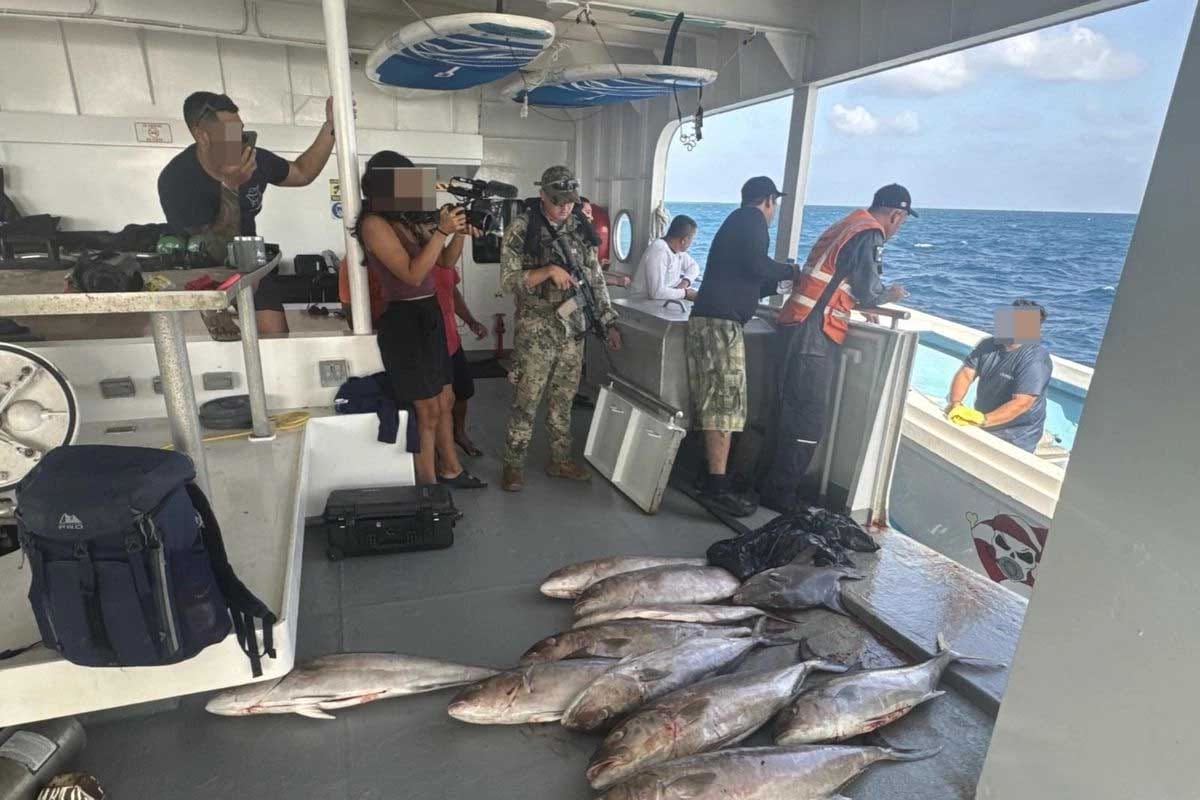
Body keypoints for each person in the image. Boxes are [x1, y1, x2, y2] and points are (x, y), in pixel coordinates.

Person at [756, 184, 913, 513]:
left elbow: (835, 279)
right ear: (896, 215)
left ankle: (762, 483)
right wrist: (891, 295)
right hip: (815, 333)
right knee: (808, 417)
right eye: (901, 221)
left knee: (785, 410)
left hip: (795, 323)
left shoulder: (848, 223)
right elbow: (868, 290)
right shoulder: (870, 232)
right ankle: (780, 494)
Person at [354, 150, 487, 489]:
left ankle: (450, 470)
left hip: (429, 313)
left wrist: (459, 231)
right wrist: (441, 231)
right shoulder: (374, 224)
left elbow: (444, 262)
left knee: (444, 401)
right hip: (404, 321)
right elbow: (412, 275)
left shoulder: (407, 221)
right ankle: (427, 486)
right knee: (426, 410)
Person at [158, 91, 340, 336]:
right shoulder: (176, 179)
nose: (238, 140)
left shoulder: (253, 159)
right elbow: (213, 248)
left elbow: (302, 173)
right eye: (228, 134)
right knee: (223, 339)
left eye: (240, 131)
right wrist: (231, 187)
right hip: (201, 272)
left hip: (249, 261)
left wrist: (331, 126)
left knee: (274, 334)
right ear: (202, 136)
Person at [499, 166, 622, 492]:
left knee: (563, 399)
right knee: (526, 400)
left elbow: (595, 278)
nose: (564, 207)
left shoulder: (580, 228)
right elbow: (508, 281)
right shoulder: (521, 228)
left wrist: (608, 320)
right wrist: (547, 271)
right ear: (542, 195)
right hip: (536, 329)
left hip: (572, 329)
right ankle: (513, 464)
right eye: (558, 201)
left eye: (569, 201)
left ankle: (560, 459)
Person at [687, 177, 797, 517]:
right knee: (724, 404)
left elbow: (751, 280)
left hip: (711, 320)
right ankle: (716, 489)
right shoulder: (752, 219)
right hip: (721, 325)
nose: (774, 211)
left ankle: (708, 477)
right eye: (775, 204)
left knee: (716, 401)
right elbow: (757, 265)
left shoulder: (736, 224)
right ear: (768, 200)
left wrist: (779, 283)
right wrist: (792, 270)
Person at [945, 299, 1053, 453]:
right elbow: (966, 374)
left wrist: (983, 420)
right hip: (984, 421)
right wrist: (956, 403)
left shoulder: (1035, 359)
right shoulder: (988, 345)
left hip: (1015, 435)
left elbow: (1022, 403)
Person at [433, 260, 489, 457]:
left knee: (463, 390)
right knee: (437, 401)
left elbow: (452, 293)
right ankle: (439, 450)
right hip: (429, 345)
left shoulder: (444, 260)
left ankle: (459, 433)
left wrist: (471, 321)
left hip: (452, 341)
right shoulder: (409, 260)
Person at [631, 214, 700, 301]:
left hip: (660, 301)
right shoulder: (659, 251)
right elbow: (656, 293)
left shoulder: (678, 252)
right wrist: (685, 293)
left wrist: (685, 282)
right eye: (692, 239)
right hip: (641, 303)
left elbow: (693, 266)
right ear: (684, 240)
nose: (692, 242)